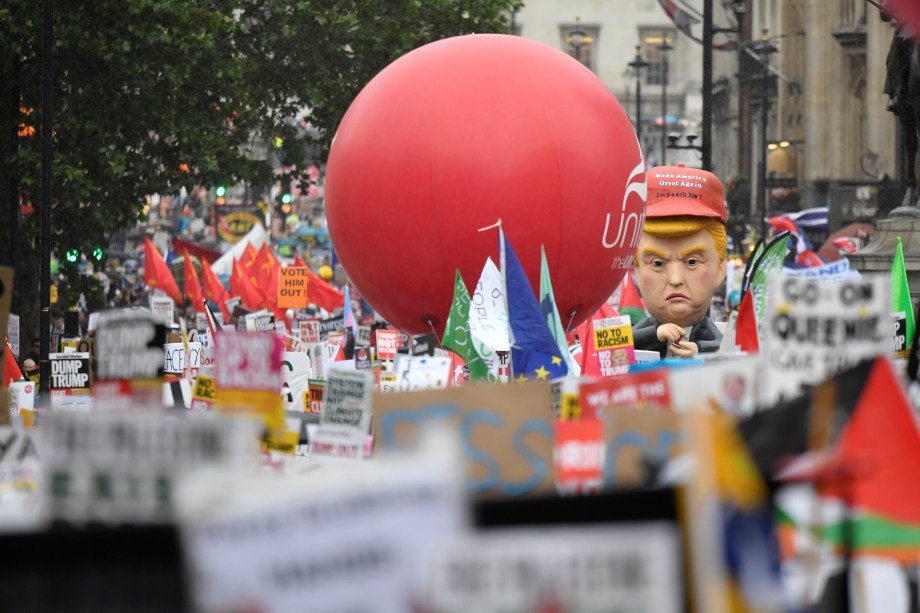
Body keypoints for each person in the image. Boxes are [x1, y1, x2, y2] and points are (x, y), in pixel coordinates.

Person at [632, 164, 728, 358]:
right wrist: (654, 336)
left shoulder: (719, 341)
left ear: (720, 270)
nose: (675, 279)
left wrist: (701, 353)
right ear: (637, 273)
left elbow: (723, 351)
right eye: (657, 263)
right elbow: (619, 349)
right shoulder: (637, 337)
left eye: (692, 262)